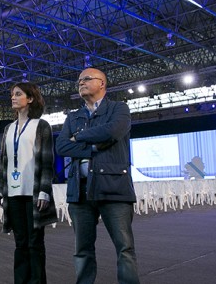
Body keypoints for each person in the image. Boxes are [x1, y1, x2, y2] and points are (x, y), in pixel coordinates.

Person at [55, 68, 140, 284]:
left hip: (113, 188)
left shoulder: (119, 108)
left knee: (125, 248)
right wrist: (92, 148)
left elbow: (113, 131)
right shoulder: (73, 116)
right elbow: (62, 146)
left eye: (86, 79)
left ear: (102, 83)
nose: (80, 83)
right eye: (79, 81)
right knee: (82, 251)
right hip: (80, 192)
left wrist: (79, 137)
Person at [0, 82, 58, 284]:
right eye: (12, 94)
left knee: (35, 244)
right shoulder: (7, 129)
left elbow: (47, 161)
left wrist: (44, 191)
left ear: (30, 99)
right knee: (20, 244)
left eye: (18, 94)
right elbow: (3, 162)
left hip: (34, 192)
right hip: (12, 193)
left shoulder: (41, 126)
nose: (13, 97)